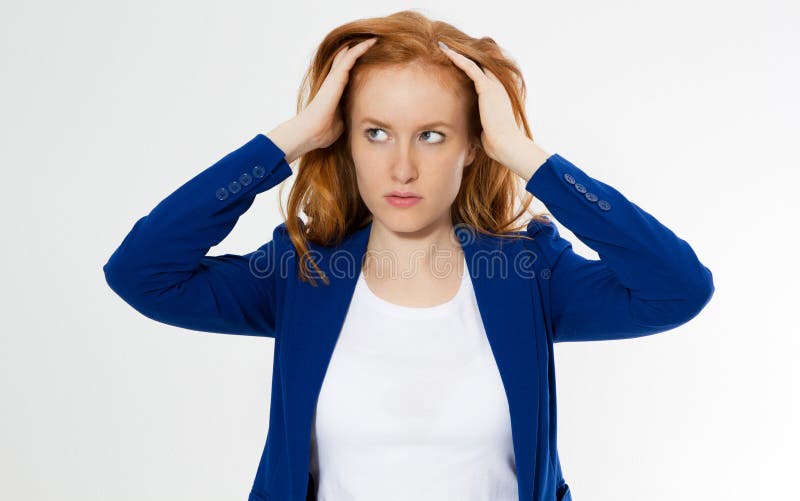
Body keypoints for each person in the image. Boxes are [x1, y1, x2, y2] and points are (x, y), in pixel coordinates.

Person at [102, 10, 714, 501]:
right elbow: (142, 273)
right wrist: (287, 142)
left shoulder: (528, 275)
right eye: (375, 132)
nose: (401, 167)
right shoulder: (301, 274)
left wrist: (525, 155)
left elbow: (677, 289)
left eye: (431, 134)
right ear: (344, 139)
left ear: (472, 145)